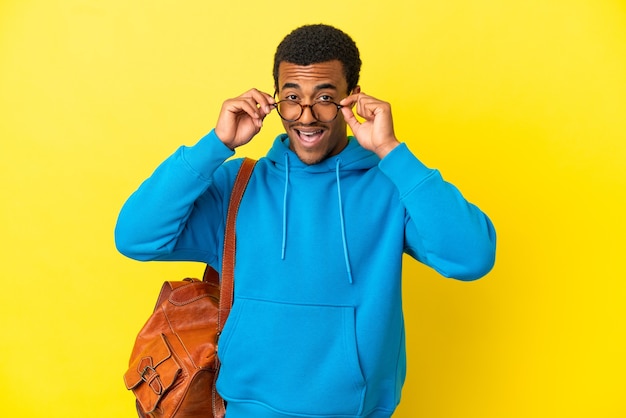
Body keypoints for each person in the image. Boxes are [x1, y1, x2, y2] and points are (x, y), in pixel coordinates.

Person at [115, 24, 496, 418]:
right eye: (292, 98)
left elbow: (471, 257)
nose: (307, 117)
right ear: (275, 98)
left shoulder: (390, 186)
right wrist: (216, 144)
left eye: (325, 98)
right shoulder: (239, 185)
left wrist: (390, 150)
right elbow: (136, 236)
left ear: (353, 98)